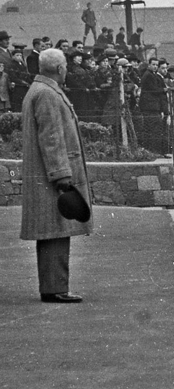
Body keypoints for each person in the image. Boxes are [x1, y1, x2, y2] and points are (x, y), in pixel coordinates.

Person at [21, 48, 93, 303]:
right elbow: (51, 138)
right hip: (52, 178)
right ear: (60, 69)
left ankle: (54, 286)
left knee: (54, 232)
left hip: (46, 175)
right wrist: (61, 174)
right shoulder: (48, 94)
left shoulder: (40, 89)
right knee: (55, 232)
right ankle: (55, 288)